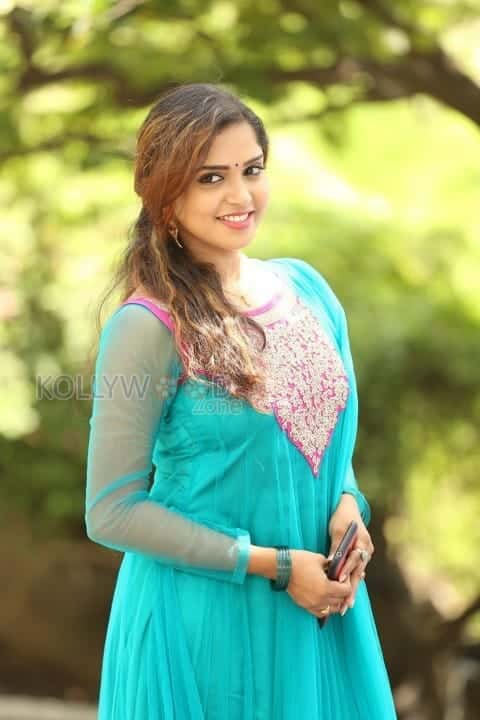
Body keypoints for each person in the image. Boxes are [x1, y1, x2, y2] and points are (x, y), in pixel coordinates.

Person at [85, 82, 397, 719]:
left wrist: (348, 506)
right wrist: (275, 566)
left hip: (321, 619)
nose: (240, 195)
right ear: (165, 195)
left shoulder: (308, 290)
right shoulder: (147, 326)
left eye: (251, 170)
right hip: (204, 632)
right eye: (211, 178)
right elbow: (111, 511)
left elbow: (323, 441)